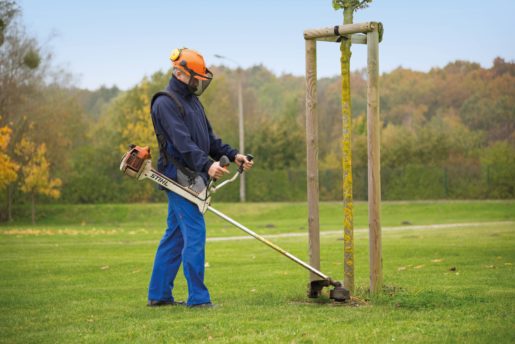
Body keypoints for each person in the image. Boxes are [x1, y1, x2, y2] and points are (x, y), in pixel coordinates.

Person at [147, 47, 253, 308]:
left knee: (175, 235)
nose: (200, 82)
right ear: (183, 75)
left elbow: (209, 140)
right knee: (194, 233)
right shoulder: (165, 102)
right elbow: (182, 144)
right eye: (198, 78)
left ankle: (159, 295)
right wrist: (207, 165)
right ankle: (198, 299)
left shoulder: (192, 102)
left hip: (193, 176)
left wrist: (234, 154)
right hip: (178, 178)